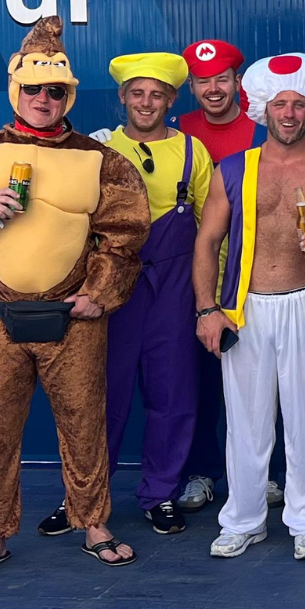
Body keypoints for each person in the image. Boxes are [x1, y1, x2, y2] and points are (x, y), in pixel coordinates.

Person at [0, 17, 151, 580]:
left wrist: (99, 294)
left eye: (56, 90)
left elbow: (126, 234)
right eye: (34, 88)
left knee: (85, 425)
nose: (44, 99)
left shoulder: (102, 159)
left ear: (69, 95)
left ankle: (94, 524)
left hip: (74, 317)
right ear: (15, 89)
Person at [193, 53, 305, 561]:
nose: (289, 114)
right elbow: (207, 242)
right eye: (279, 104)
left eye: (298, 104)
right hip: (246, 309)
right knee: (246, 423)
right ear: (263, 109)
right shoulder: (233, 168)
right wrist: (206, 309)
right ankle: (243, 520)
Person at [76, 53, 212, 536]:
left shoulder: (194, 152)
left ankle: (161, 494)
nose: (147, 102)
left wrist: (209, 298)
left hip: (174, 288)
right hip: (112, 288)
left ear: (171, 100)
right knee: (100, 397)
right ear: (123, 97)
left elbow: (210, 230)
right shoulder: (98, 149)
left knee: (173, 394)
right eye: (137, 93)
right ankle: (86, 500)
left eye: (157, 94)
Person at [175, 37, 263, 513]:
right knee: (198, 382)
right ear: (190, 86)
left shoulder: (262, 131)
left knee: (258, 384)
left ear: (237, 82)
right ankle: (201, 472)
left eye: (222, 79)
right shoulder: (175, 132)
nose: (213, 89)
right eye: (203, 81)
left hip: (251, 276)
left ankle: (265, 474)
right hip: (190, 277)